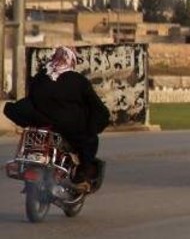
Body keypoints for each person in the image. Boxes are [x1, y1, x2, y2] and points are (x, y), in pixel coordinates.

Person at [3, 46, 111, 188]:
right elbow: (96, 107)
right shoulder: (78, 81)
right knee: (90, 140)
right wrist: (95, 125)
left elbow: (32, 98)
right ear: (71, 60)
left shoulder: (40, 77)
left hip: (40, 122)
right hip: (67, 127)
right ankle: (81, 174)